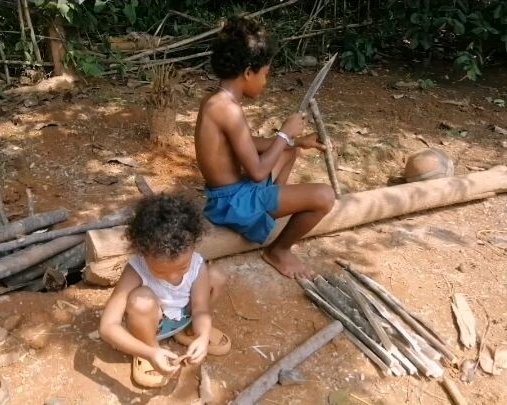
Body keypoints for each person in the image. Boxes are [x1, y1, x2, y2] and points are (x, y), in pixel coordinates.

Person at [195, 16, 336, 279]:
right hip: (234, 205)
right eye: (265, 75)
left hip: (230, 197)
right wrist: (284, 133)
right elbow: (258, 172)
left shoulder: (217, 100)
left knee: (289, 150)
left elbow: (250, 145)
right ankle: (279, 250)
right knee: (325, 197)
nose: (265, 82)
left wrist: (295, 141)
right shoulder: (227, 110)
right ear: (248, 72)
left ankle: (276, 207)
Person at [99, 195, 230, 388]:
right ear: (142, 253)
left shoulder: (196, 263)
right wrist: (150, 353)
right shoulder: (136, 269)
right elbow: (108, 326)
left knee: (217, 275)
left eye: (183, 266)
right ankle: (148, 348)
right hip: (153, 325)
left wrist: (203, 336)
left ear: (193, 245)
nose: (172, 276)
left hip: (186, 315)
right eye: (160, 271)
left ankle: (192, 331)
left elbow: (200, 308)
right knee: (140, 301)